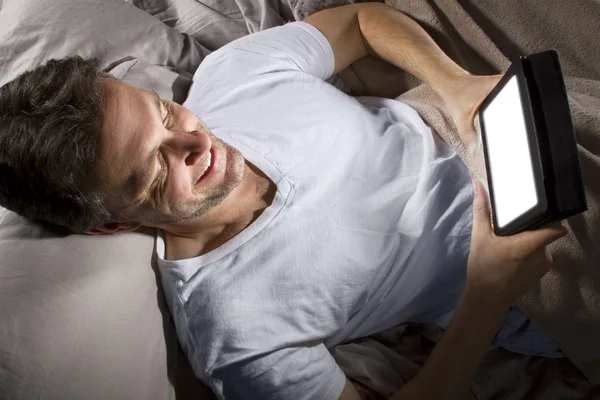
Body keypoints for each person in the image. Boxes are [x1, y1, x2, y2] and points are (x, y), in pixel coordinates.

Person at [0, 2, 568, 399]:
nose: (197, 142)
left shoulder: (230, 76)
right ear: (109, 226)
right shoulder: (236, 335)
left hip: (477, 122)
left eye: (167, 113)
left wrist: (452, 82)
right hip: (528, 271)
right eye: (154, 170)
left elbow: (361, 22)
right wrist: (489, 293)